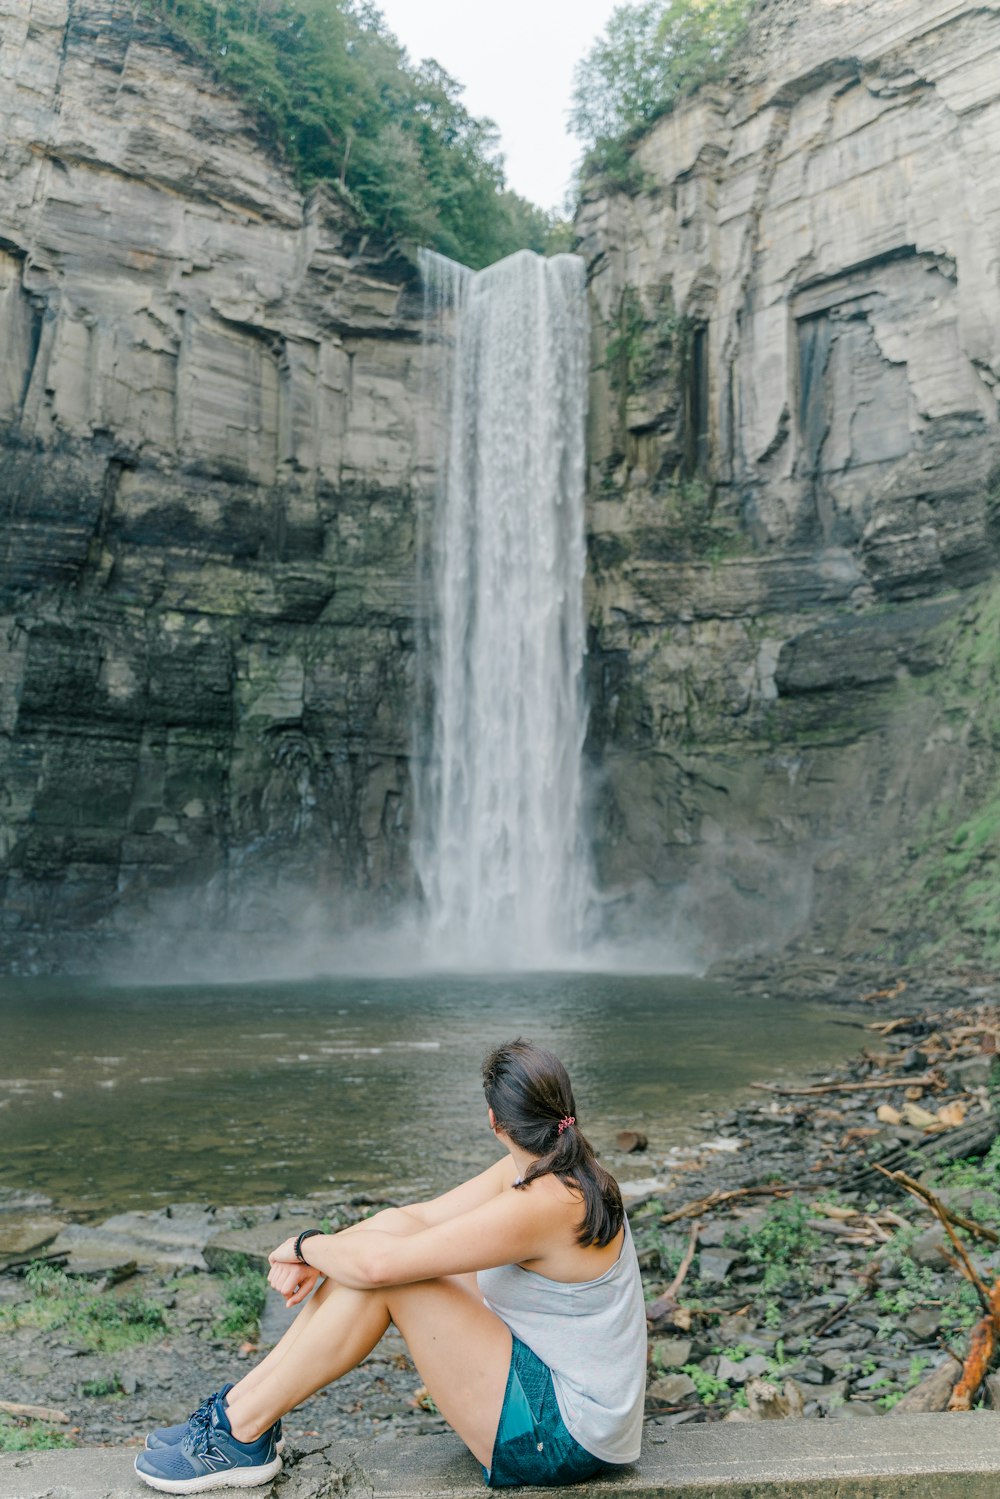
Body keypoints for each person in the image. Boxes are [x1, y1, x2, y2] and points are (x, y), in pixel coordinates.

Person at [134, 1038, 647, 1493]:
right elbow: (410, 1218)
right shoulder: (547, 1171)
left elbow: (381, 1268)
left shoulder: (547, 1202)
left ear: (494, 1121)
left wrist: (306, 1246)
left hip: (562, 1437)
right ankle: (237, 1414)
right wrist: (327, 1253)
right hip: (555, 1395)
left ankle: (242, 1430)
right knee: (390, 1243)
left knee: (389, 1280)